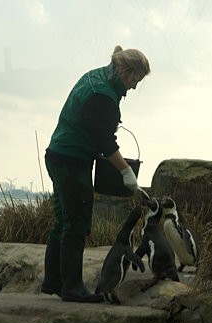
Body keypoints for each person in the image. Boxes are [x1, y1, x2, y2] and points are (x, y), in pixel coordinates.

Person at [41, 45, 150, 303]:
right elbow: (104, 141)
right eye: (134, 79)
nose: (134, 86)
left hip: (60, 154)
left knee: (63, 219)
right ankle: (72, 287)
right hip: (71, 161)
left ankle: (53, 281)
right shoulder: (101, 95)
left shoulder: (97, 77)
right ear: (124, 70)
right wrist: (126, 171)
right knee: (76, 221)